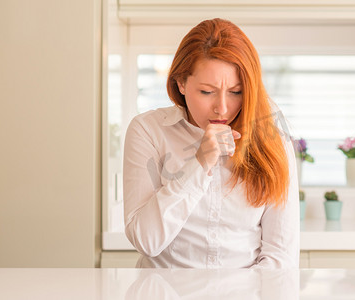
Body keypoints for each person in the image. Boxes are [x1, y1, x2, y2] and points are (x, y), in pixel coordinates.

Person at [123, 18, 299, 268]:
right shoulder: (148, 131)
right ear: (181, 83)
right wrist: (198, 163)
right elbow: (146, 241)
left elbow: (280, 255)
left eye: (236, 92)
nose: (223, 108)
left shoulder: (272, 137)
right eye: (207, 92)